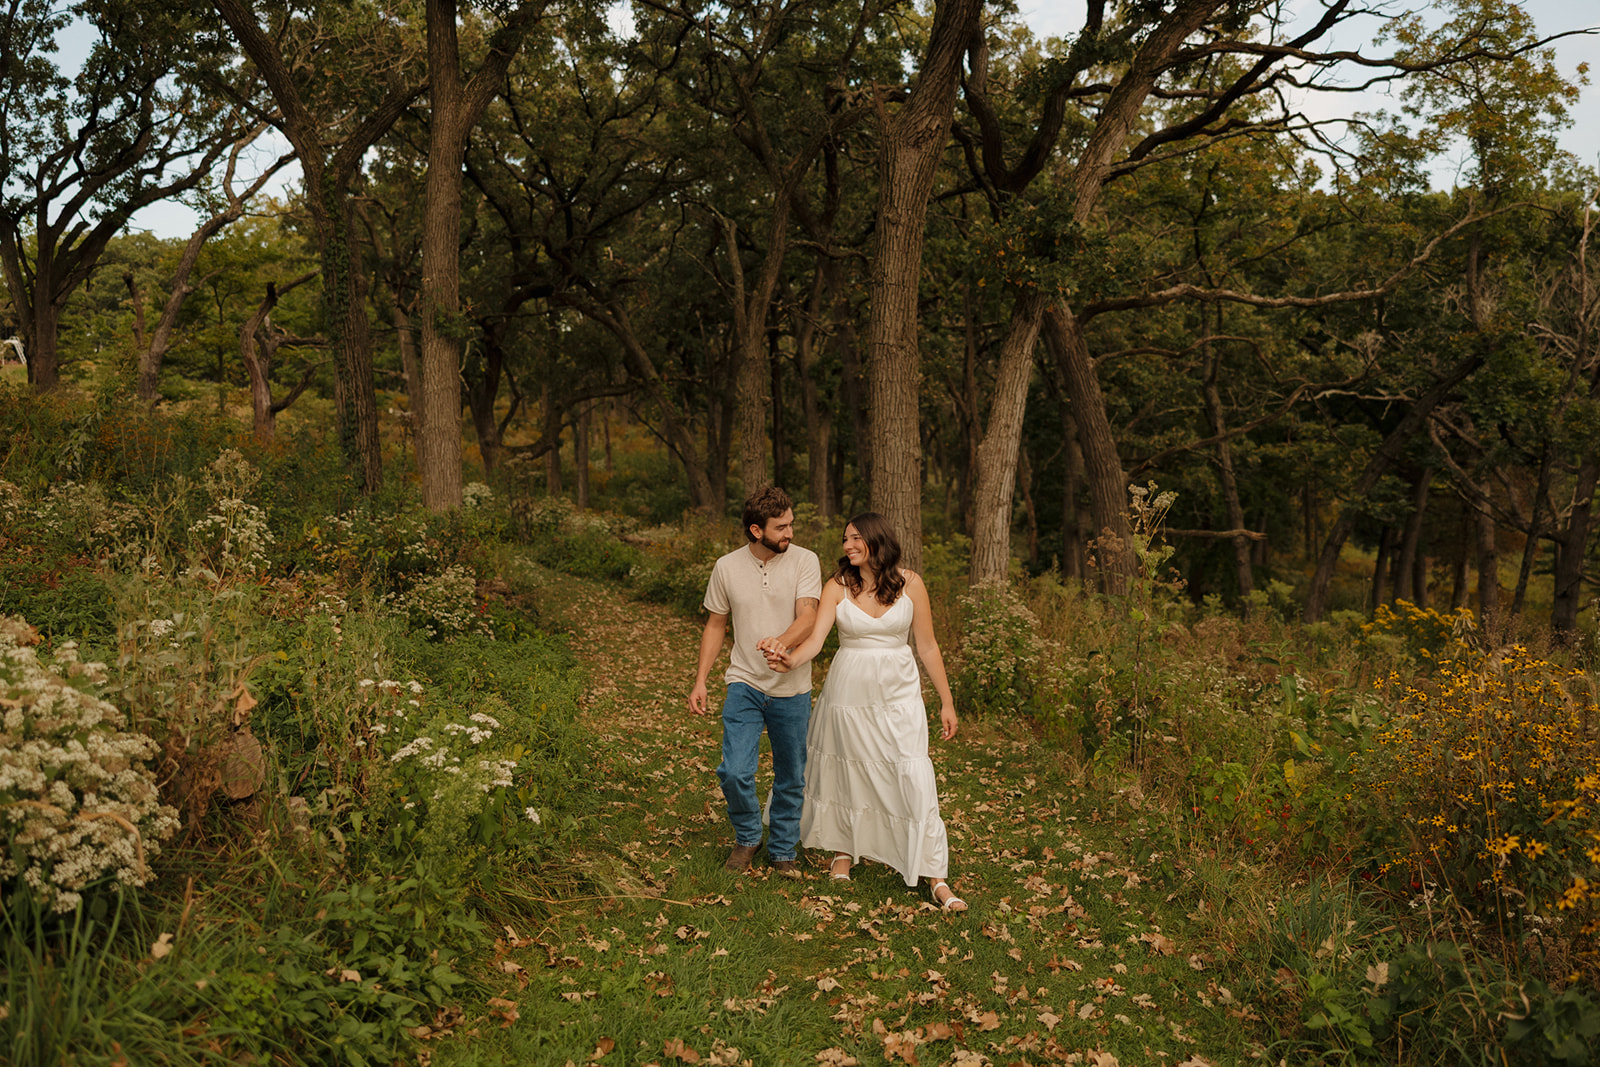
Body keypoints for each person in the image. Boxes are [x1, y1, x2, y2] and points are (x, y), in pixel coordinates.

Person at [765, 513, 968, 911]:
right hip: (848, 695)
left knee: (911, 772)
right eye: (845, 539)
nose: (847, 545)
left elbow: (927, 646)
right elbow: (818, 640)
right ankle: (845, 850)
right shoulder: (838, 585)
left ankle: (935, 875)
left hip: (899, 694)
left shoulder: (911, 584)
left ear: (877, 540)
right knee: (849, 770)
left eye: (856, 538)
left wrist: (946, 700)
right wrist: (790, 658)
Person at [688, 486, 822, 878]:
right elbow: (716, 623)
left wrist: (783, 642)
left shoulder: (805, 561)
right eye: (781, 527)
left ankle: (783, 849)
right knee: (734, 771)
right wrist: (700, 680)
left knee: (791, 776)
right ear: (756, 529)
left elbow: (809, 616)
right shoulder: (726, 567)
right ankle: (748, 836)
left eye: (791, 524)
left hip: (792, 687)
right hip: (744, 682)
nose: (790, 533)